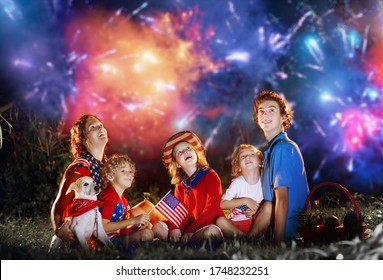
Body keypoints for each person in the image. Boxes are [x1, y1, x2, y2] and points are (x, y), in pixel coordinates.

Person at [160, 130, 241, 244]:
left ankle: (187, 242)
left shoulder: (210, 175)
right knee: (159, 227)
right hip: (190, 226)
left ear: (196, 154)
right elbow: (180, 212)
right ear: (177, 164)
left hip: (208, 223)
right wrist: (175, 228)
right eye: (180, 152)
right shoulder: (180, 185)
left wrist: (190, 230)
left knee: (212, 232)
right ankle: (181, 240)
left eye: (188, 148)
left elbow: (211, 208)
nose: (185, 152)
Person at [253, 90, 309, 244]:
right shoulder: (275, 148)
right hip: (277, 229)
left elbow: (282, 199)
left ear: (283, 117)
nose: (265, 115)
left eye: (272, 110)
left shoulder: (283, 149)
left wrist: (278, 245)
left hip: (289, 234)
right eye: (261, 112)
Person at [50, 114, 108, 249]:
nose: (100, 128)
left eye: (101, 125)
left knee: (146, 209)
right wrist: (58, 230)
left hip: (102, 221)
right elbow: (60, 203)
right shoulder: (82, 166)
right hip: (87, 231)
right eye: (93, 127)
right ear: (84, 139)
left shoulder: (103, 164)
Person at [99, 154, 154, 249]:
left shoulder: (123, 201)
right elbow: (103, 227)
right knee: (147, 234)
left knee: (147, 229)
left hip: (116, 238)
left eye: (130, 171)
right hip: (104, 242)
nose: (129, 174)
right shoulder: (110, 195)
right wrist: (132, 220)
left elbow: (123, 231)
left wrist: (136, 225)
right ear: (110, 176)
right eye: (123, 171)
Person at [221, 144, 271, 237]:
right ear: (238, 165)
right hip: (237, 224)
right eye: (243, 156)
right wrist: (245, 201)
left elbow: (272, 203)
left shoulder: (265, 181)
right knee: (220, 221)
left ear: (260, 161)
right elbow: (222, 204)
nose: (247, 157)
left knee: (269, 206)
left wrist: (258, 210)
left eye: (252, 154)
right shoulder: (237, 183)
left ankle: (250, 237)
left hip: (257, 222)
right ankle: (246, 238)